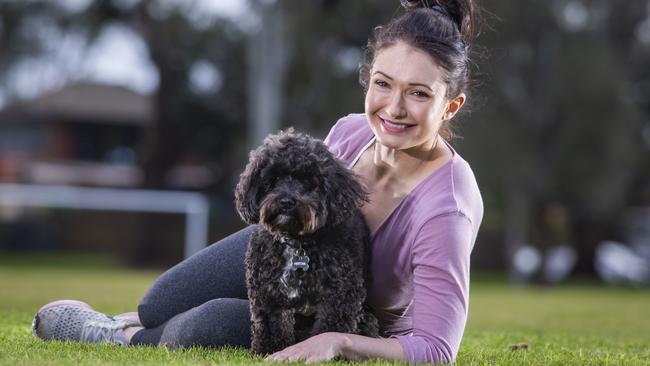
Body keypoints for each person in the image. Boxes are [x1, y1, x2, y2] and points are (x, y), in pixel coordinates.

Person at [31, 0, 483, 363]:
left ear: (450, 105)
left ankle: (121, 337)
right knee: (159, 301)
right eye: (384, 84)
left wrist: (337, 342)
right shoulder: (349, 131)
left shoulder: (447, 207)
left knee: (217, 324)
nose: (394, 108)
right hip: (289, 250)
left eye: (419, 93)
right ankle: (139, 321)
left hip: (353, 317)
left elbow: (436, 350)